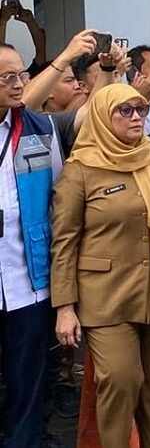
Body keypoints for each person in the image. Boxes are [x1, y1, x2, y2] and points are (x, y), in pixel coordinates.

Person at [50, 84, 150, 447]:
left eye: (140, 109)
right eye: (125, 111)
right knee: (119, 381)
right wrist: (64, 307)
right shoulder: (81, 170)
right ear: (103, 119)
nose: (137, 117)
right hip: (105, 297)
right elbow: (65, 242)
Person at [0, 43, 69, 447]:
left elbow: (56, 195)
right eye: (8, 77)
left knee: (29, 380)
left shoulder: (39, 129)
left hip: (28, 279)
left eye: (21, 75)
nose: (19, 84)